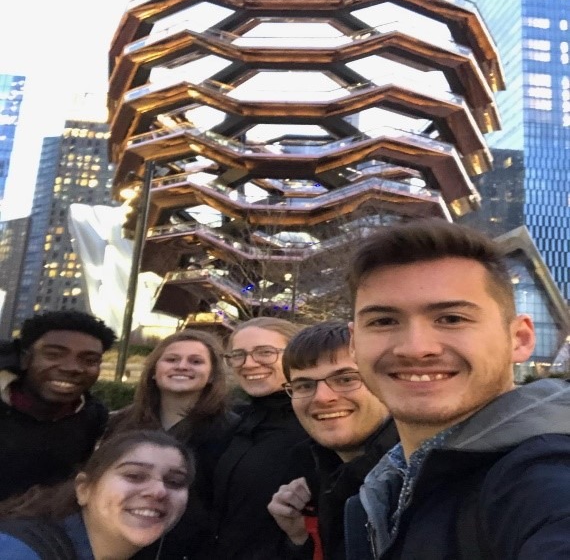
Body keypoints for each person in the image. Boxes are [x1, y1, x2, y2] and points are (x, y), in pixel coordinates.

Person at [344, 219, 570, 559]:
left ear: (519, 339)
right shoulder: (383, 489)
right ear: (353, 346)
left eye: (451, 319)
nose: (415, 348)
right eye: (384, 321)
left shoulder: (542, 480)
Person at [104, 329, 240, 560]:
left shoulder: (232, 431)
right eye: (172, 359)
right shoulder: (120, 424)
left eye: (196, 361)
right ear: (154, 372)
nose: (182, 366)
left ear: (211, 375)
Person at [268, 321, 399, 560]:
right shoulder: (324, 479)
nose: (322, 398)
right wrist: (299, 541)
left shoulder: (418, 487)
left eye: (346, 379)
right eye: (304, 385)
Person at [0, 429, 193, 559]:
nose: (159, 491)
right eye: (134, 476)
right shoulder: (19, 550)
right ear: (84, 489)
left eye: (174, 482)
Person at [211, 316, 309, 560]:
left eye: (265, 352)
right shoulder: (237, 421)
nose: (249, 363)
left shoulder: (314, 425)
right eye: (238, 355)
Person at [0, 310, 117, 501]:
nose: (72, 368)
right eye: (54, 355)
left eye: (89, 360)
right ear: (25, 359)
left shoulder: (93, 418)